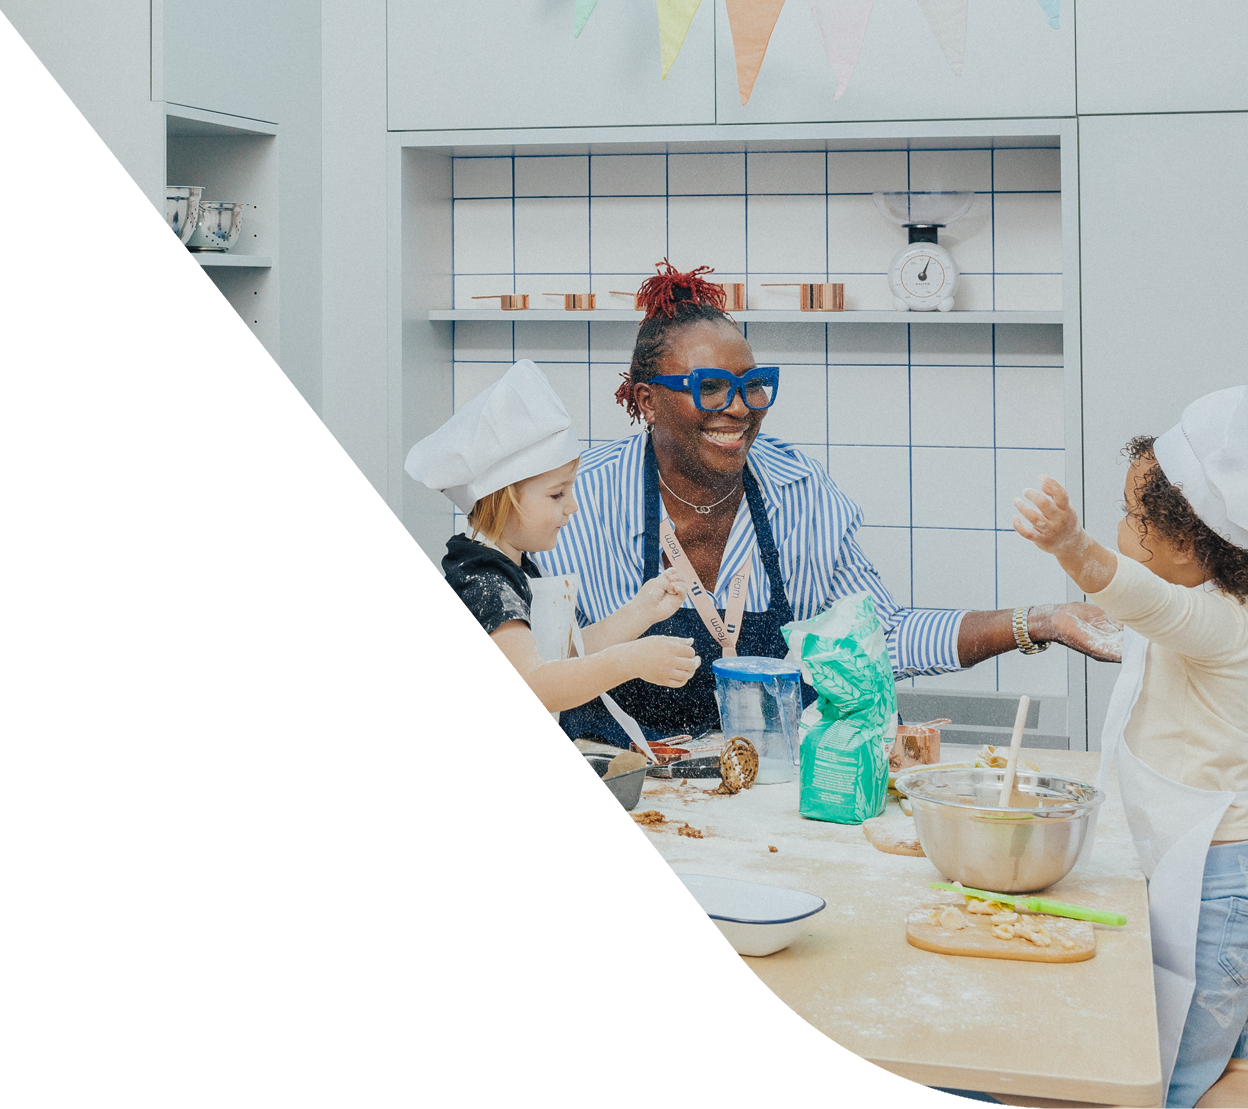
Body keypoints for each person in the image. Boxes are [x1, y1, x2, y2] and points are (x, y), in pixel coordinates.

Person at [302, 262, 1123, 740]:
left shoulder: (799, 495)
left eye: (753, 385)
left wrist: (1032, 623)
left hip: (766, 803)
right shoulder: (564, 502)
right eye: (709, 388)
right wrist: (408, 608)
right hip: (608, 798)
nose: (740, 407)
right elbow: (508, 646)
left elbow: (878, 636)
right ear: (643, 399)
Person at [365, 359, 697, 1109]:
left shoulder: (512, 571)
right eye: (556, 493)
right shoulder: (481, 584)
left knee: (522, 956)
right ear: (503, 498)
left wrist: (644, 611)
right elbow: (539, 685)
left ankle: (525, 1088)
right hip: (446, 814)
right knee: (517, 955)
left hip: (489, 802)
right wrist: (633, 661)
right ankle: (516, 1092)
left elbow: (564, 655)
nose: (571, 507)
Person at [1012, 385, 1248, 1109]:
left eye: (1127, 517)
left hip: (1218, 878)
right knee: (1202, 1051)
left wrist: (1069, 546)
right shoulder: (1215, 607)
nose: (1117, 527)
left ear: (1187, 541)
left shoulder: (1221, 624)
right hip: (1192, 859)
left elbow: (1146, 602)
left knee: (1170, 1066)